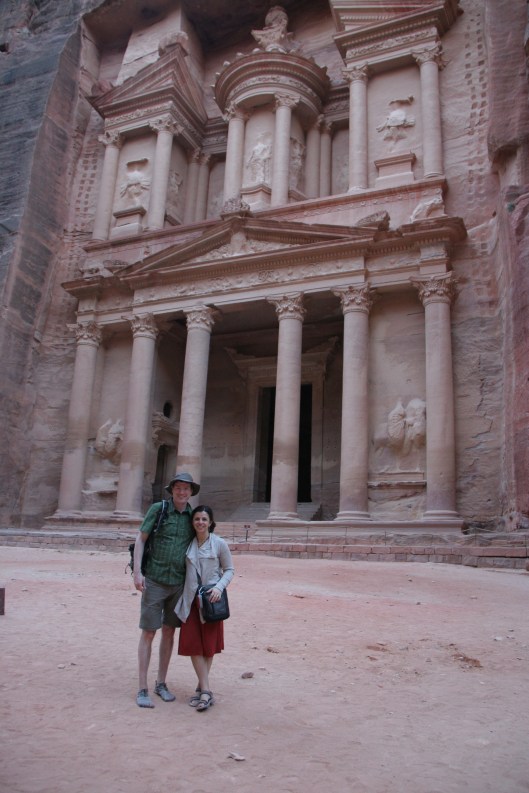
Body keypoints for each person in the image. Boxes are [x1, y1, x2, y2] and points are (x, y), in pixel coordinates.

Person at [133, 471, 199, 708]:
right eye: (178, 488)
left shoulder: (193, 516)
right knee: (149, 631)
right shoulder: (158, 510)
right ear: (172, 490)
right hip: (155, 579)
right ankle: (142, 687)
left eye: (186, 488)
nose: (182, 492)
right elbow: (141, 539)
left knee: (169, 631)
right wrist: (137, 572)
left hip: (178, 583)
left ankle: (161, 682)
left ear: (191, 492)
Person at [175, 505, 234, 712]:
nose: (200, 522)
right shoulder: (187, 545)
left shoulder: (219, 544)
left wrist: (218, 588)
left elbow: (229, 570)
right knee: (193, 645)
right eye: (197, 519)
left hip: (211, 599)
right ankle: (205, 689)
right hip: (191, 600)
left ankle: (203, 689)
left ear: (210, 522)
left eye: (204, 519)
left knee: (208, 646)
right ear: (193, 523)